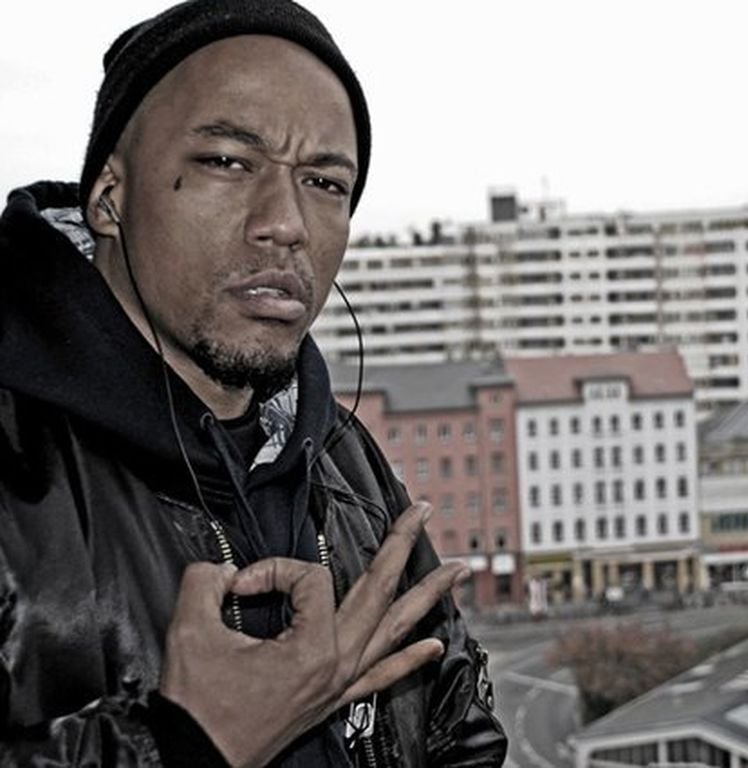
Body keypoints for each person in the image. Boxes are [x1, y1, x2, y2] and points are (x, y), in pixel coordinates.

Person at [0, 1, 507, 766]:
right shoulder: (17, 472)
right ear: (109, 197)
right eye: (228, 162)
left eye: (325, 182)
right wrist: (184, 748)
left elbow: (456, 731)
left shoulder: (342, 460)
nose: (286, 223)